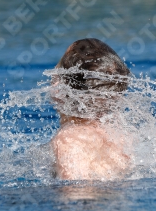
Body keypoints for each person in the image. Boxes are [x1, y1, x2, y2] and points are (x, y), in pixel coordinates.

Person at [50, 38, 133, 180]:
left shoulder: (69, 139)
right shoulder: (119, 136)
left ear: (60, 90)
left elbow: (75, 192)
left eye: (56, 71)